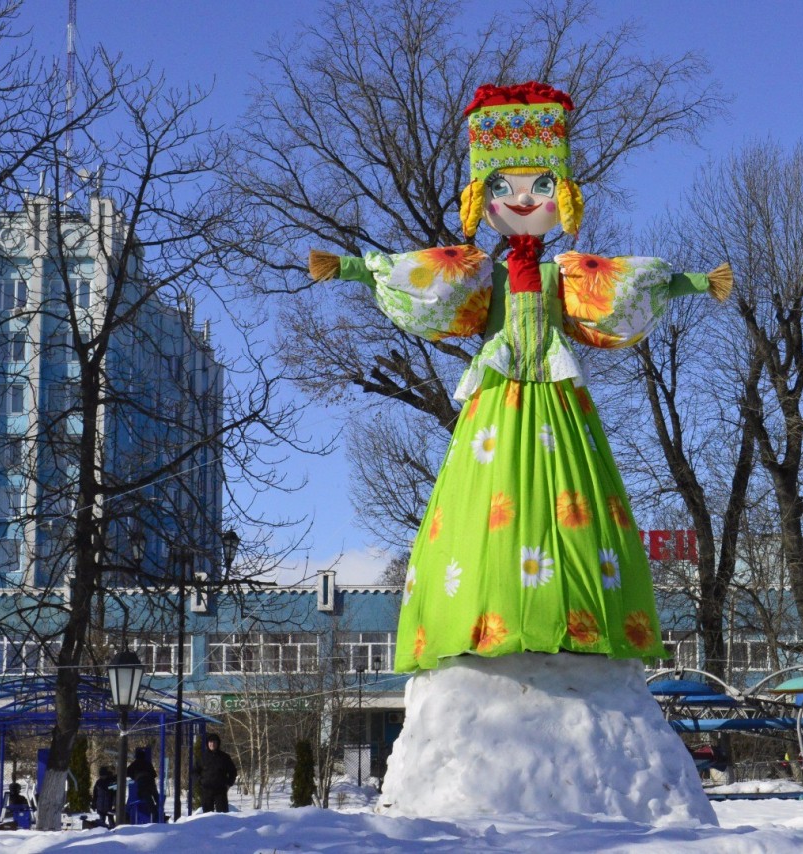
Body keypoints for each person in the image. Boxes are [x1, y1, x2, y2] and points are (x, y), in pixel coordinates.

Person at [308, 81, 729, 673]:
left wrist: (691, 281)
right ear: (484, 197)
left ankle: (574, 613)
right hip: (499, 398)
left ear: (563, 195)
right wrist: (356, 267)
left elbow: (621, 288)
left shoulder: (565, 274)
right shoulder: (484, 276)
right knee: (490, 496)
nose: (525, 200)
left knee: (567, 501)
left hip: (556, 395)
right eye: (505, 187)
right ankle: (484, 610)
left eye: (540, 187)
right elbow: (426, 280)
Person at [197, 732, 238, 814]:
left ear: (218, 743)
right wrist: (200, 781)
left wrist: (229, 783)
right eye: (210, 742)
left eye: (214, 742)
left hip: (220, 790)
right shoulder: (202, 757)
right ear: (207, 743)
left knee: (223, 815)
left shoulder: (224, 757)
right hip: (206, 790)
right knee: (207, 816)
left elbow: (233, 771)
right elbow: (195, 771)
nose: (212, 744)